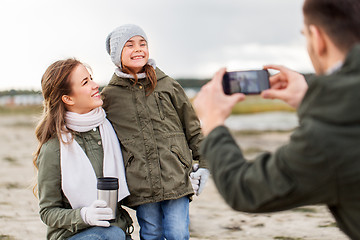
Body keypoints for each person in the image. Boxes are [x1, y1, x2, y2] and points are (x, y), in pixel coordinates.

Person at [193, 0, 360, 239]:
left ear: (317, 38)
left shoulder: (329, 136)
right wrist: (308, 98)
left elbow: (244, 188)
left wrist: (213, 122)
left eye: (305, 35)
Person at [102, 24, 209, 240]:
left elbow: (193, 128)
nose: (138, 49)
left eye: (143, 43)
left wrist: (205, 163)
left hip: (175, 175)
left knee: (178, 233)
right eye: (129, 45)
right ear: (116, 55)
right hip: (139, 180)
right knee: (151, 233)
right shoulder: (109, 97)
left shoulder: (168, 85)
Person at [33, 58, 133, 240]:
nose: (95, 85)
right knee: (111, 235)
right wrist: (84, 215)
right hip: (74, 235)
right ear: (68, 98)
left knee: (115, 234)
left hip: (116, 230)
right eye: (86, 82)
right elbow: (47, 211)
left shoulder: (109, 130)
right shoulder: (53, 148)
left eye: (91, 78)